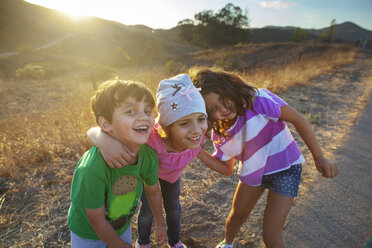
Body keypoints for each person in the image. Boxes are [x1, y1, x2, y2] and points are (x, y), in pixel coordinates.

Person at [188, 67, 339, 248]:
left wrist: (319, 157)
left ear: (228, 88)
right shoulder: (220, 134)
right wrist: (196, 150)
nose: (224, 108)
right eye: (213, 109)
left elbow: (298, 119)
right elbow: (226, 168)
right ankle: (227, 244)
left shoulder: (258, 100)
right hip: (253, 173)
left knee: (270, 236)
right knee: (235, 218)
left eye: (223, 99)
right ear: (206, 115)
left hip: (287, 170)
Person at [87, 74, 234, 248]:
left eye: (201, 119)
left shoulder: (198, 137)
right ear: (167, 127)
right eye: (184, 123)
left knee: (173, 210)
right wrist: (98, 137)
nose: (196, 129)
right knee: (147, 212)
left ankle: (175, 242)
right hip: (149, 178)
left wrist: (198, 150)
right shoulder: (150, 138)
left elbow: (225, 167)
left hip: (172, 178)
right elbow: (102, 131)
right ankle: (143, 242)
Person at [67, 80, 167, 248]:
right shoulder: (91, 169)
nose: (143, 117)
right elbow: (95, 219)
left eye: (147, 110)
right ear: (106, 124)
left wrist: (159, 222)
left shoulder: (148, 156)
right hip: (87, 233)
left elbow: (154, 192)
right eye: (131, 111)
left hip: (121, 226)